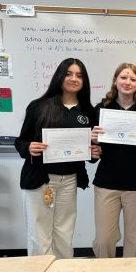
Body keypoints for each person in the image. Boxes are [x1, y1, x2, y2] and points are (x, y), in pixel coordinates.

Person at [15, 57, 100, 259]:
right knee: (39, 235)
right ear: (60, 77)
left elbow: (90, 149)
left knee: (64, 233)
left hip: (69, 180)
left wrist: (94, 153)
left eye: (79, 75)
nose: (74, 78)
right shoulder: (39, 106)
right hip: (41, 180)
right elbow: (21, 141)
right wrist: (29, 147)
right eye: (69, 74)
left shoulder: (88, 110)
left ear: (84, 81)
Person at [91, 63, 136, 258]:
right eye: (124, 77)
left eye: (133, 79)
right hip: (107, 181)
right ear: (115, 81)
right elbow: (93, 154)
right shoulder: (101, 109)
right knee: (104, 239)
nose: (128, 82)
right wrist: (92, 140)